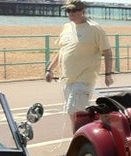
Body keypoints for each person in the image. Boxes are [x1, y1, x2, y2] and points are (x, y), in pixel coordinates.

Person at [44, 0, 113, 133]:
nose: (71, 13)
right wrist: (50, 69)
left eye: (74, 10)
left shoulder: (94, 28)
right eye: (68, 11)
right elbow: (62, 51)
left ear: (82, 11)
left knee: (74, 110)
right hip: (68, 78)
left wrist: (108, 74)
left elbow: (107, 51)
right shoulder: (67, 27)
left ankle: (84, 142)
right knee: (75, 114)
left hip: (85, 78)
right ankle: (83, 139)